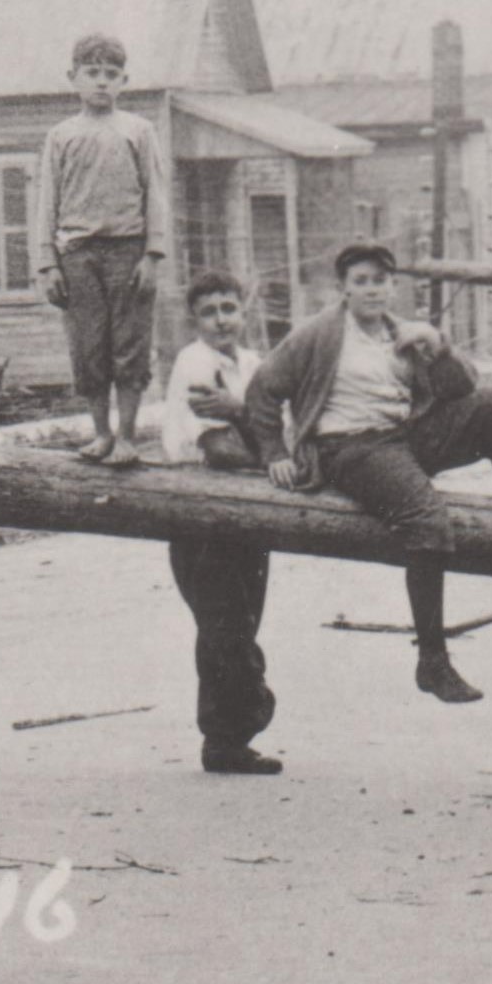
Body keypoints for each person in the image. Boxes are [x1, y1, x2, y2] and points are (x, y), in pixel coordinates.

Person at [239, 239, 492, 702]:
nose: (372, 290)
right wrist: (275, 452)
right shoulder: (318, 333)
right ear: (343, 288)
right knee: (426, 519)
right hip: (350, 447)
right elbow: (261, 389)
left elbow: (461, 390)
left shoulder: (403, 333)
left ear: (392, 286)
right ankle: (432, 662)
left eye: (381, 281)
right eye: (361, 282)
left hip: (404, 435)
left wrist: (438, 346)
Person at [157, 272, 279, 775]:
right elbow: (222, 448)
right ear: (195, 320)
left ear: (244, 312)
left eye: (229, 308)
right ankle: (225, 737)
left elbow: (283, 430)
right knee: (222, 625)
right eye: (209, 312)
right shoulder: (195, 363)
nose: (222, 319)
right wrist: (265, 446)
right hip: (201, 511)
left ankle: (233, 738)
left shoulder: (253, 366)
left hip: (250, 515)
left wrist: (244, 414)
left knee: (243, 620)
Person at [42, 31, 164, 467]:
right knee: (88, 345)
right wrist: (46, 264)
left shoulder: (139, 130)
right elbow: (47, 202)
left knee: (129, 344)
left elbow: (155, 195)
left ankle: (128, 437)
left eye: (111, 75)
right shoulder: (61, 136)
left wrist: (152, 255)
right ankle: (101, 434)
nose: (101, 83)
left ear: (124, 80)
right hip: (77, 253)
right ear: (73, 77)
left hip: (128, 250)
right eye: (92, 73)